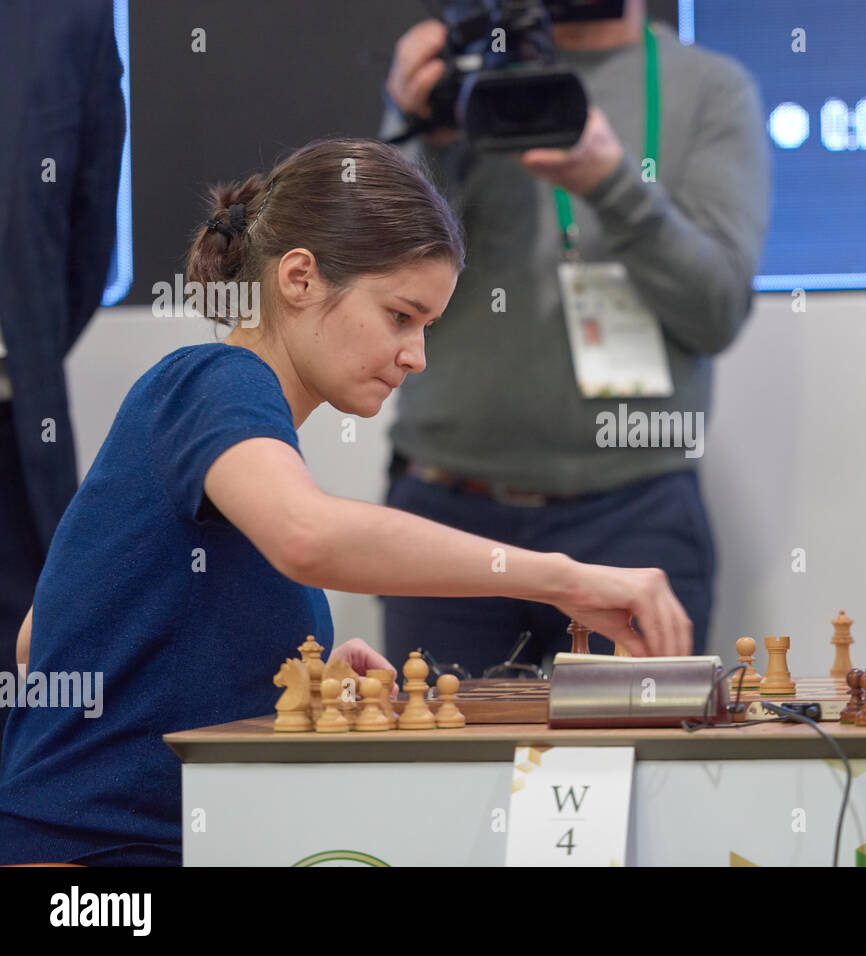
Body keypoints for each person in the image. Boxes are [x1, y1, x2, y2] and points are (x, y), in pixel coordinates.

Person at [0, 138, 690, 866]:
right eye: (401, 316)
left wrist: (302, 667)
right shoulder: (212, 381)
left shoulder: (233, 431)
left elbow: (39, 637)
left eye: (427, 327)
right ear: (299, 277)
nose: (418, 355)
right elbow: (309, 535)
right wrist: (567, 578)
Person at [379, 0, 770, 673]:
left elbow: (717, 308)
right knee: (439, 767)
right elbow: (382, 275)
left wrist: (612, 185)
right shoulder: (467, 68)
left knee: (634, 768)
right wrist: (424, 132)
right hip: (448, 508)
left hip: (633, 510)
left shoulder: (708, 87)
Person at [0, 0, 125, 743]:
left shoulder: (66, 15)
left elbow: (86, 232)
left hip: (16, 428)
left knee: (30, 697)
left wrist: (25, 344)